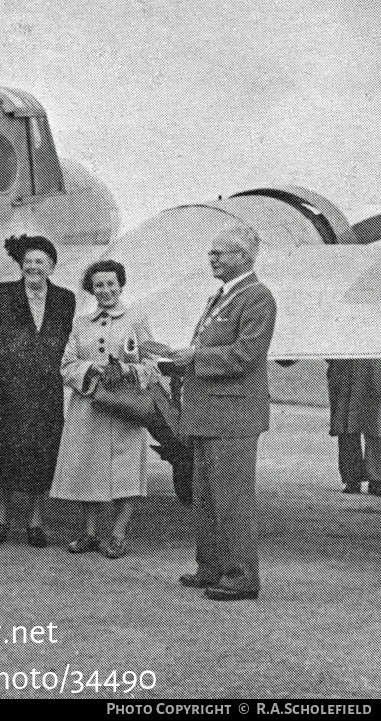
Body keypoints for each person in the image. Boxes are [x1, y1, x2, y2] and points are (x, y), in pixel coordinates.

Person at [165, 224, 276, 601]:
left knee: (231, 500)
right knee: (207, 498)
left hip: (233, 418)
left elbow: (247, 355)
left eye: (220, 253)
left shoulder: (257, 297)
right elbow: (209, 349)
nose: (211, 258)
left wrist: (194, 356)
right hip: (209, 414)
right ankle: (210, 567)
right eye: (211, 252)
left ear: (245, 257)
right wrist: (174, 359)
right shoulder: (224, 296)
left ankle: (242, 577)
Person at [50, 259, 159, 559]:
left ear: (120, 284)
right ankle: (89, 533)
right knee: (89, 469)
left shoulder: (136, 319)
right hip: (89, 407)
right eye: (99, 285)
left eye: (111, 283)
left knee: (125, 472)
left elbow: (151, 366)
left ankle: (118, 534)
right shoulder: (81, 323)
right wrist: (93, 371)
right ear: (91, 289)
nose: (106, 289)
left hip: (125, 408)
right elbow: (66, 365)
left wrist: (124, 370)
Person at [0, 235, 75, 547]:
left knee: (43, 452)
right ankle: (1, 518)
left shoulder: (65, 298)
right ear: (21, 266)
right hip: (10, 385)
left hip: (47, 387)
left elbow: (62, 340)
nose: (34, 267)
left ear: (51, 266)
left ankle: (35, 521)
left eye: (41, 261)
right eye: (29, 262)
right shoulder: (2, 292)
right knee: (6, 450)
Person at [327, 360, 381, 495]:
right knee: (345, 423)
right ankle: (352, 478)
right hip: (344, 366)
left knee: (376, 422)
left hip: (375, 364)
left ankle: (377, 479)